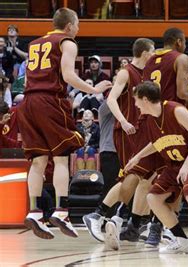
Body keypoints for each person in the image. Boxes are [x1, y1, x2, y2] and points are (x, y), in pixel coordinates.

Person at [17, 7, 111, 239]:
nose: (78, 28)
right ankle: (61, 211)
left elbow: (28, 77)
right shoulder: (67, 42)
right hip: (50, 100)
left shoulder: (35, 43)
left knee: (38, 161)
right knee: (60, 158)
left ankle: (35, 211)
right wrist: (94, 89)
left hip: (28, 102)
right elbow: (68, 76)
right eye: (77, 24)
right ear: (69, 26)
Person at [125, 81, 188, 257]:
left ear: (145, 99)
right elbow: (158, 143)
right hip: (175, 162)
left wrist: (187, 164)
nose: (136, 105)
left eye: (136, 101)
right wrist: (138, 157)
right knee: (153, 198)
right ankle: (182, 240)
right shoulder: (150, 120)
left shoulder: (175, 110)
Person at [83, 38, 161, 250]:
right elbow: (111, 99)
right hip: (127, 131)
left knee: (147, 177)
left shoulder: (147, 73)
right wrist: (124, 121)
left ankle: (134, 223)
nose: (154, 54)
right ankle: (100, 215)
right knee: (134, 175)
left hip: (141, 130)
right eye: (152, 50)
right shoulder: (127, 72)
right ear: (145, 52)